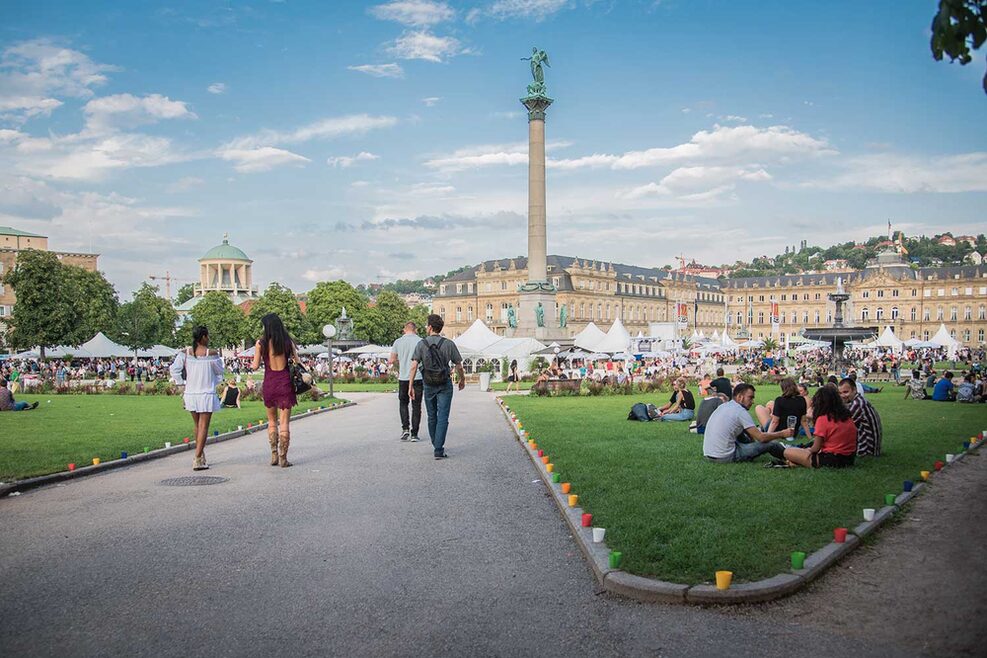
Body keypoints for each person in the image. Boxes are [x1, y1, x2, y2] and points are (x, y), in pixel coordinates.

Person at [408, 314, 465, 460]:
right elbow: (458, 365)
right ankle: (438, 448)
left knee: (432, 415)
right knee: (443, 416)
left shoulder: (421, 344)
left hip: (428, 383)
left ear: (431, 327)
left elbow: (414, 366)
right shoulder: (449, 344)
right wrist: (462, 379)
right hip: (444, 383)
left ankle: (436, 444)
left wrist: (410, 386)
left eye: (427, 325)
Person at [169, 326, 224, 471]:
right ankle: (198, 457)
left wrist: (181, 383)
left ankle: (200, 454)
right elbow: (220, 371)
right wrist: (214, 381)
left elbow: (174, 369)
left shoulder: (185, 353)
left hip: (191, 393)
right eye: (208, 336)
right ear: (204, 337)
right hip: (205, 393)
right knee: (203, 426)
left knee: (197, 425)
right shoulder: (211, 354)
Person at [251, 313, 300, 467]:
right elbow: (297, 362)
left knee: (272, 421)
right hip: (285, 382)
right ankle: (283, 457)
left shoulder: (261, 343)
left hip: (270, 383)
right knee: (284, 422)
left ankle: (273, 455)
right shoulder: (287, 342)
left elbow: (255, 366)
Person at [702, 384, 793, 463]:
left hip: (709, 454)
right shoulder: (740, 412)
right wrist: (782, 433)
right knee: (771, 444)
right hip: (724, 457)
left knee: (742, 435)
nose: (752, 402)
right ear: (740, 397)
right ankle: (792, 457)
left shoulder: (724, 406)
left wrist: (752, 443)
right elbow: (761, 438)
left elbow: (743, 433)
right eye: (750, 398)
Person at [782, 386, 857, 468]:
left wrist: (805, 451)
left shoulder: (823, 419)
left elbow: (815, 448)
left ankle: (795, 462)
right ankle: (796, 462)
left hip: (830, 459)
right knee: (799, 452)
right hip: (849, 458)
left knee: (787, 452)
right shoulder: (847, 416)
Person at [389, 321, 423, 442]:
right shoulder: (420, 341)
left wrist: (401, 363)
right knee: (416, 406)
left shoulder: (398, 342)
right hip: (418, 377)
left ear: (405, 329)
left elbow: (392, 360)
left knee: (403, 403)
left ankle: (405, 428)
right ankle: (414, 433)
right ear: (415, 329)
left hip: (403, 377)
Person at [838, 378, 883, 457]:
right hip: (871, 447)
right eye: (840, 393)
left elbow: (840, 427)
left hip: (866, 450)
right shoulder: (859, 400)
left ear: (854, 390)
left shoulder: (857, 404)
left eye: (846, 392)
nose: (842, 396)